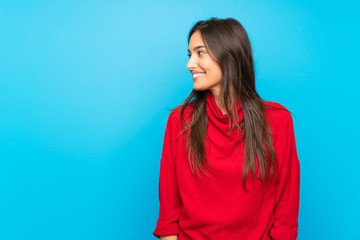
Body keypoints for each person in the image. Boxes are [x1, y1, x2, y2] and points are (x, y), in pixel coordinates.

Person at [153, 17, 300, 240]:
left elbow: (285, 208)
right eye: (190, 54)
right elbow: (169, 212)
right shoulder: (180, 121)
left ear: (229, 56)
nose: (190, 64)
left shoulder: (277, 120)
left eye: (200, 53)